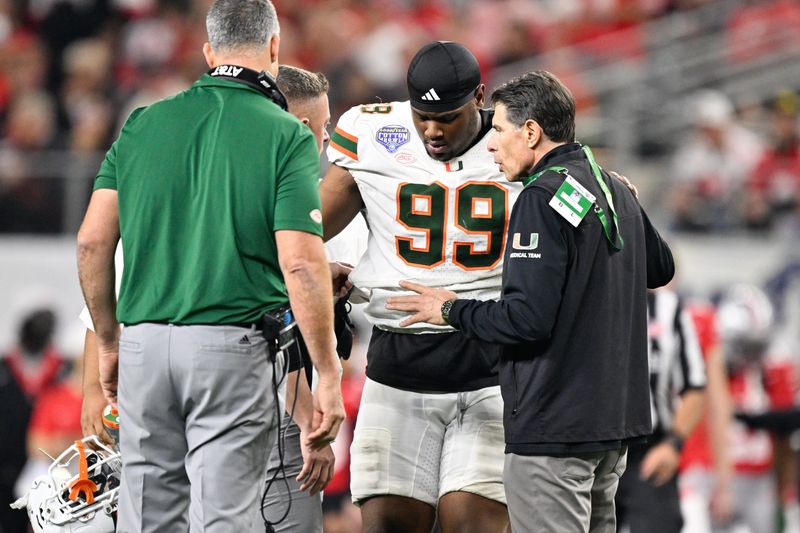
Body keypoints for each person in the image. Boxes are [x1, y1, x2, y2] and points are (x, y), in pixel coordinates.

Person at [75, 1, 345, 531]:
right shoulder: (286, 132)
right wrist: (329, 372)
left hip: (143, 345)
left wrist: (108, 343)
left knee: (146, 519)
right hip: (229, 346)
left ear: (208, 52)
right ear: (274, 47)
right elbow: (300, 264)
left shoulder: (143, 122)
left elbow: (90, 242)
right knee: (224, 519)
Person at [386, 70, 675, 533]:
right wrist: (629, 205)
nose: (491, 145)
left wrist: (449, 309)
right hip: (611, 428)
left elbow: (526, 320)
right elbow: (661, 268)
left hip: (555, 429)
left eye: (499, 130)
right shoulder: (611, 185)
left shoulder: (540, 197)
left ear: (531, 132)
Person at [320, 41, 519, 532]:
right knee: (388, 523)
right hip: (398, 362)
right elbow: (309, 224)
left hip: (492, 364)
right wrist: (316, 265)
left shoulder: (516, 137)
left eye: (447, 117)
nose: (432, 129)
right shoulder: (373, 130)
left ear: (479, 97)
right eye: (422, 116)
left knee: (471, 524)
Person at [615, 287, 707, 533]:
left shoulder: (670, 308)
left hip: (648, 452)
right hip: (589, 450)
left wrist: (673, 444)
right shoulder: (585, 296)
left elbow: (695, 387)